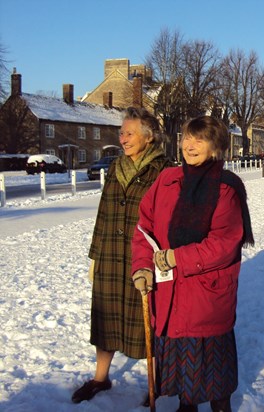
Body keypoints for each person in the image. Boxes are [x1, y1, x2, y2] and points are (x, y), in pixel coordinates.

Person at [131, 115, 254, 412]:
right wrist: (142, 267)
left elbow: (224, 243)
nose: (190, 145)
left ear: (216, 147)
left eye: (200, 139)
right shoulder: (167, 180)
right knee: (183, 379)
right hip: (169, 294)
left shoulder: (226, 188)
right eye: (187, 137)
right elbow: (144, 229)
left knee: (213, 376)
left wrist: (176, 257)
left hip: (206, 296)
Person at [72, 106, 172, 404]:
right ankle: (100, 378)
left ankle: (157, 382)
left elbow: (168, 220)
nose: (123, 138)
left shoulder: (164, 171)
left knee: (148, 322)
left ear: (148, 137)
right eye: (122, 133)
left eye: (129, 133)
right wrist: (94, 256)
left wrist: (164, 260)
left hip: (145, 259)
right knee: (106, 320)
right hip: (111, 256)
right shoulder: (116, 167)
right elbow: (103, 213)